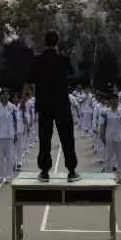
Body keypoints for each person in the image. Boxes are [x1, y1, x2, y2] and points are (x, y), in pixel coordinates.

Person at [23, 31, 80, 183]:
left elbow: (28, 81)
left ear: (45, 41)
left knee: (44, 138)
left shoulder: (37, 60)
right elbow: (72, 72)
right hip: (61, 103)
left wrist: (22, 101)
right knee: (67, 138)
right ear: (57, 42)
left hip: (44, 104)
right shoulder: (63, 59)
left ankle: (44, 172)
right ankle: (72, 171)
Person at [0, 90, 18, 184]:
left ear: (8, 96)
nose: (6, 96)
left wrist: (15, 133)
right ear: (1, 96)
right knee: (0, 158)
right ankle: (0, 176)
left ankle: (9, 176)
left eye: (7, 95)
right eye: (4, 95)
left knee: (9, 157)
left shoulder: (13, 107)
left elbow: (15, 121)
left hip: (10, 135)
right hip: (0, 135)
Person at [101, 95, 121, 184]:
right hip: (109, 137)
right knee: (108, 157)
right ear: (110, 101)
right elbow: (103, 125)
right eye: (113, 100)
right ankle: (108, 177)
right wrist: (102, 135)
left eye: (116, 100)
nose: (115, 102)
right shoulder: (106, 112)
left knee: (120, 158)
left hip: (119, 137)